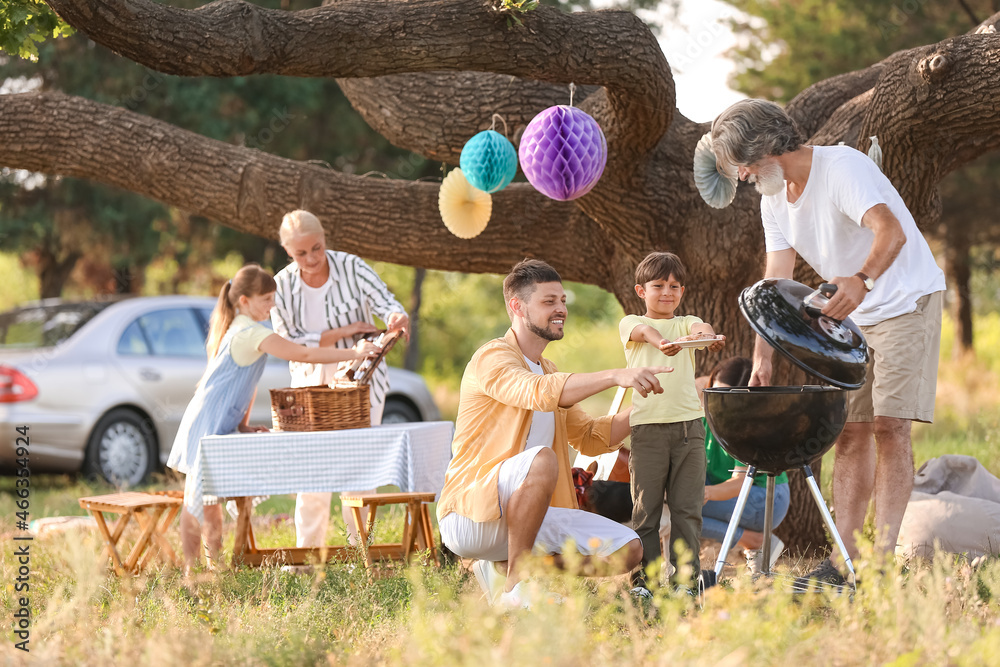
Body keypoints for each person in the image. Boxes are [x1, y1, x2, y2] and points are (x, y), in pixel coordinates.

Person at [710, 99, 947, 589]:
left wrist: (861, 279)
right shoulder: (773, 199)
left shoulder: (842, 167)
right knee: (851, 431)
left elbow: (892, 231)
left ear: (769, 148)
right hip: (854, 316)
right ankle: (844, 560)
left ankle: (880, 565)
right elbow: (775, 280)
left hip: (906, 299)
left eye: (746, 164)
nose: (745, 176)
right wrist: (763, 356)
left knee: (889, 427)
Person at [436, 259, 674, 608]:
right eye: (549, 301)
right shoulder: (492, 357)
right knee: (542, 460)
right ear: (517, 306)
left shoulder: (549, 369)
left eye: (562, 300)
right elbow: (535, 390)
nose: (561, 308)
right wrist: (615, 375)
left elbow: (592, 437)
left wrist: (647, 408)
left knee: (628, 549)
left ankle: (512, 570)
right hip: (471, 515)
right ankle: (518, 586)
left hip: (528, 520)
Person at [167, 264, 379, 573]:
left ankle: (216, 569)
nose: (272, 305)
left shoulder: (242, 327)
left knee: (210, 500)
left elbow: (244, 383)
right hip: (206, 421)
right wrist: (354, 353)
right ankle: (190, 572)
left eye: (272, 298)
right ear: (244, 301)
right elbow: (303, 354)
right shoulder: (249, 331)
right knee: (197, 500)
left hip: (218, 420)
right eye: (266, 299)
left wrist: (242, 424)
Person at [270, 210, 410, 550]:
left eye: (317, 248)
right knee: (312, 476)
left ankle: (362, 552)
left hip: (361, 385)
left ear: (325, 239)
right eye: (301, 253)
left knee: (359, 473)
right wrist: (344, 333)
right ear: (288, 251)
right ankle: (306, 556)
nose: (312, 259)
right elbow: (288, 342)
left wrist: (394, 315)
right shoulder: (282, 286)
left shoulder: (351, 266)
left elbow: (386, 302)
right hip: (311, 389)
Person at [620, 251, 725, 592]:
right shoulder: (630, 323)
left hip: (689, 430)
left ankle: (685, 582)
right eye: (658, 285)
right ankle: (645, 584)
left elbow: (700, 327)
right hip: (648, 431)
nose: (667, 291)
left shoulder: (685, 323)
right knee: (646, 511)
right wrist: (661, 343)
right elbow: (644, 331)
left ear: (683, 291)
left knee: (687, 510)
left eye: (674, 286)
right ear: (641, 291)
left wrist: (705, 336)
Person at [700, 357, 789, 576]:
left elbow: (739, 484)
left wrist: (702, 493)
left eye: (731, 399)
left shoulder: (747, 428)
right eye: (716, 393)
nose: (721, 403)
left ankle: (754, 541)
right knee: (674, 496)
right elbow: (693, 383)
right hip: (727, 489)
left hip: (764, 499)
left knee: (679, 506)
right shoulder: (706, 408)